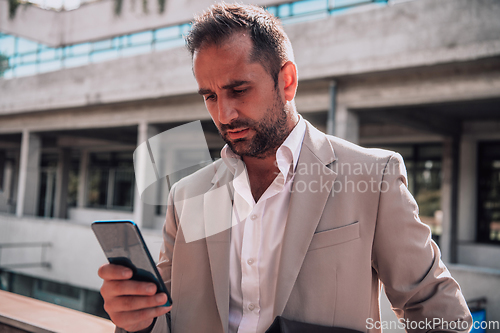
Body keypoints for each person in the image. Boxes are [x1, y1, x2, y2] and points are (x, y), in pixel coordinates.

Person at [98, 3, 472, 333]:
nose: (223, 114)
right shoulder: (187, 195)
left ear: (287, 81)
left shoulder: (372, 177)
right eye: (210, 96)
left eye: (239, 89)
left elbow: (438, 311)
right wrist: (138, 320)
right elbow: (164, 317)